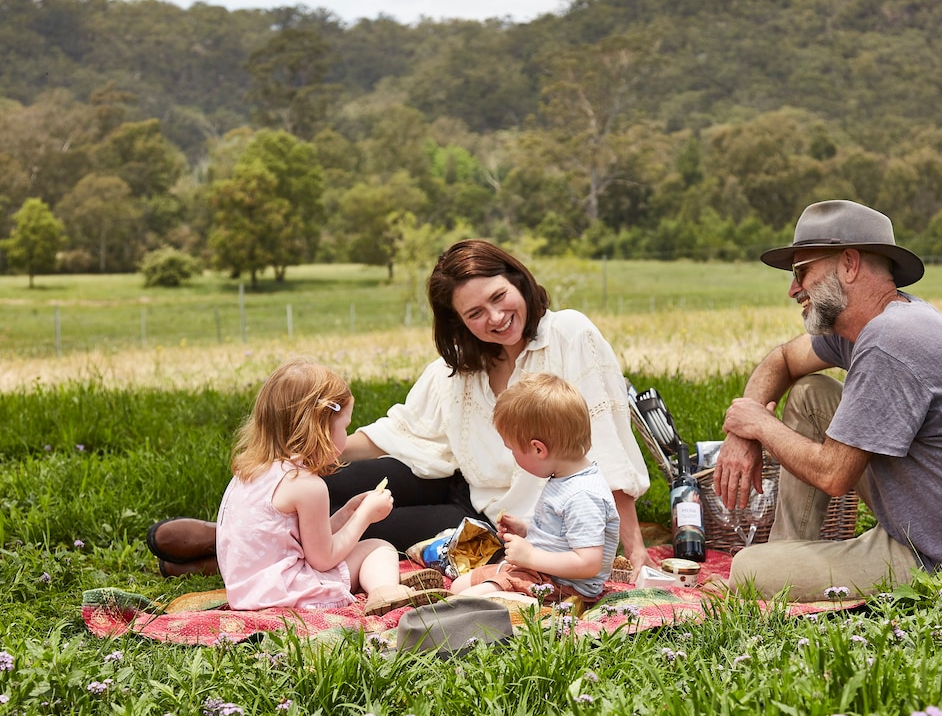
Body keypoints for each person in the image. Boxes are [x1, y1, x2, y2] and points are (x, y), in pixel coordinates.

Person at [147, 240, 651, 575]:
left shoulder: (569, 334)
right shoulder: (460, 366)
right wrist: (299, 456)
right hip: (449, 476)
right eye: (475, 312)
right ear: (457, 321)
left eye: (500, 297)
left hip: (503, 520)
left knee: (365, 525)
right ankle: (246, 534)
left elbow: (606, 443)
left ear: (519, 281)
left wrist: (633, 552)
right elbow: (401, 433)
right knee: (322, 490)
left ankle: (227, 548)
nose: (496, 318)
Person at [713, 200, 942, 601]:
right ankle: (789, 552)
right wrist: (741, 434)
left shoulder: (891, 340)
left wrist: (760, 425)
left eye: (802, 271)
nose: (792, 289)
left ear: (849, 264)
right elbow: (782, 360)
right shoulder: (879, 323)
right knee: (810, 393)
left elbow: (835, 476)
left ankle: (781, 570)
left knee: (747, 570)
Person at [214, 358, 449, 615]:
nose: (346, 437)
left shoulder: (249, 472)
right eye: (345, 427)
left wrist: (346, 513)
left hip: (248, 591)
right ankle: (385, 590)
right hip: (289, 594)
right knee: (379, 547)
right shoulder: (307, 486)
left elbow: (305, 540)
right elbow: (324, 557)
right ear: (321, 429)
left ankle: (380, 580)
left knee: (367, 554)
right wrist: (364, 517)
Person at [450, 373, 620, 604]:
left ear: (538, 449)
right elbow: (563, 534)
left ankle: (526, 607)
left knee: (467, 600)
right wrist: (526, 529)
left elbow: (588, 563)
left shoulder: (583, 495)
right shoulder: (565, 478)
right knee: (459, 586)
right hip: (539, 573)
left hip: (563, 588)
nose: (512, 456)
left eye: (513, 450)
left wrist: (531, 556)